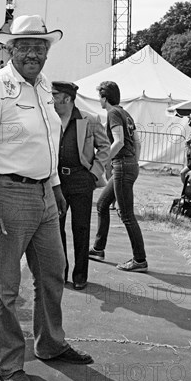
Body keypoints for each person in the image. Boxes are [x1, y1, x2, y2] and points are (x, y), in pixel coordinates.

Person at [0, 14, 93, 381]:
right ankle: (8, 363)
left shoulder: (44, 88)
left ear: (47, 51)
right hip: (8, 193)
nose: (34, 53)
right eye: (26, 46)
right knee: (5, 285)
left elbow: (48, 144)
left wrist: (53, 187)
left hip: (43, 195)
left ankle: (50, 344)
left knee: (53, 272)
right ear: (10, 48)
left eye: (41, 46)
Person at [52, 81, 109, 290]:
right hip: (56, 181)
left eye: (54, 95)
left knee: (81, 228)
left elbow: (105, 147)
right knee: (56, 228)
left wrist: (93, 174)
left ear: (67, 98)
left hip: (81, 180)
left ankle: (80, 275)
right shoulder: (50, 119)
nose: (51, 98)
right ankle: (61, 272)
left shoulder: (89, 119)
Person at [89, 81, 148, 272]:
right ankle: (98, 249)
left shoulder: (113, 113)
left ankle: (140, 260)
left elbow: (119, 141)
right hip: (129, 164)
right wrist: (134, 163)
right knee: (102, 204)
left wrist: (106, 161)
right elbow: (136, 143)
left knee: (126, 215)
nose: (99, 99)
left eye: (99, 96)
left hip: (123, 165)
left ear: (105, 98)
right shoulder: (126, 113)